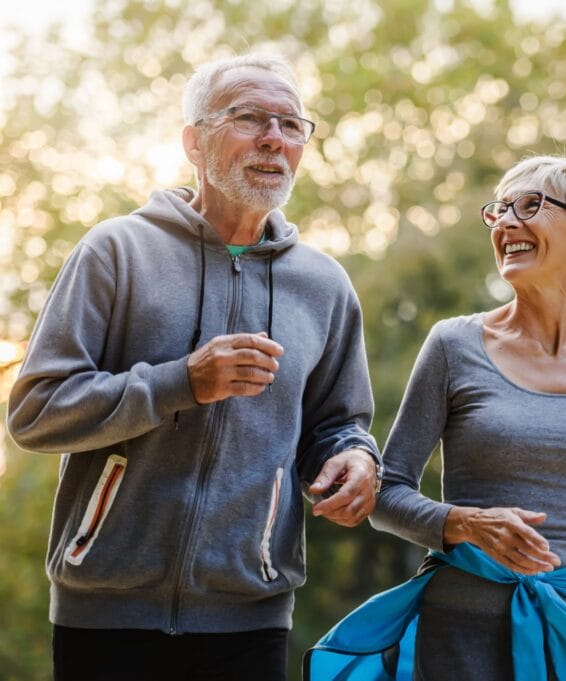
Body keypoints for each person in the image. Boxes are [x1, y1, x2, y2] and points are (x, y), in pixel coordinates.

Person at [6, 53, 382, 681]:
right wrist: (181, 382)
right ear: (194, 142)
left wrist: (355, 458)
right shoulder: (116, 251)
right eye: (249, 118)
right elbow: (36, 412)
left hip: (252, 616)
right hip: (106, 613)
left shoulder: (324, 285)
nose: (273, 138)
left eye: (292, 125)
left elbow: (340, 425)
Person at [305, 145, 566, 681]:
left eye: (529, 205)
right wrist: (466, 523)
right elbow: (386, 495)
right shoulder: (452, 345)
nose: (506, 222)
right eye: (499, 210)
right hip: (459, 627)